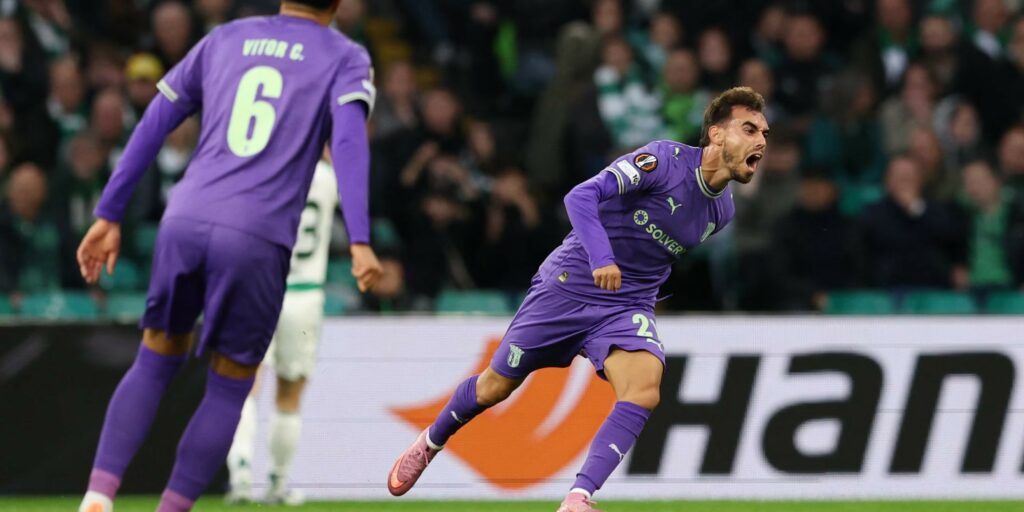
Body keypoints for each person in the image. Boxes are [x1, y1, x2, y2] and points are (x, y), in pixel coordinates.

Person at [387, 86, 769, 512]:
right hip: (570, 284)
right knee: (494, 388)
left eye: (764, 133)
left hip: (626, 305)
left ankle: (578, 497)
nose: (761, 141)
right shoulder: (662, 160)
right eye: (749, 129)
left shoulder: (722, 212)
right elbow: (581, 196)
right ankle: (430, 442)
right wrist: (603, 258)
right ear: (716, 135)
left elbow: (657, 252)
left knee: (644, 389)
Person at [75, 1, 383, 511]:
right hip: (256, 238)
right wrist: (360, 238)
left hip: (186, 217)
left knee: (153, 361)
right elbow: (348, 140)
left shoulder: (225, 37)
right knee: (227, 387)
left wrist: (109, 213)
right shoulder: (345, 56)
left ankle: (98, 494)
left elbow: (155, 120)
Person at [225, 152, 338, 506]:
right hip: (304, 296)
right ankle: (277, 482)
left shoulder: (266, 169)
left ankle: (240, 476)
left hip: (261, 287)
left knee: (246, 385)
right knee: (289, 395)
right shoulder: (329, 177)